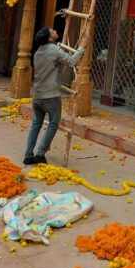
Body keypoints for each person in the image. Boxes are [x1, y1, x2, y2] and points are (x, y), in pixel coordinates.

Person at [23, 26, 84, 165]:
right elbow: (71, 61)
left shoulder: (37, 52)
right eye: (53, 31)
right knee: (53, 123)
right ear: (50, 38)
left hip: (37, 95)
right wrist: (81, 48)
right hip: (50, 95)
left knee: (36, 125)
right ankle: (40, 153)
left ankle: (28, 155)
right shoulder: (54, 49)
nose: (56, 31)